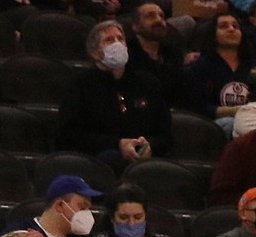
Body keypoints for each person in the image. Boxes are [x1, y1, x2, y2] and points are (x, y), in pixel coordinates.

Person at [56, 20, 171, 168]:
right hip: (98, 161)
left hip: (145, 162)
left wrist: (149, 146)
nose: (117, 44)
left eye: (120, 39)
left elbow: (165, 135)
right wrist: (117, 144)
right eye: (109, 40)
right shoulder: (79, 85)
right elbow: (68, 134)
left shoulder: (148, 83)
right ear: (95, 52)